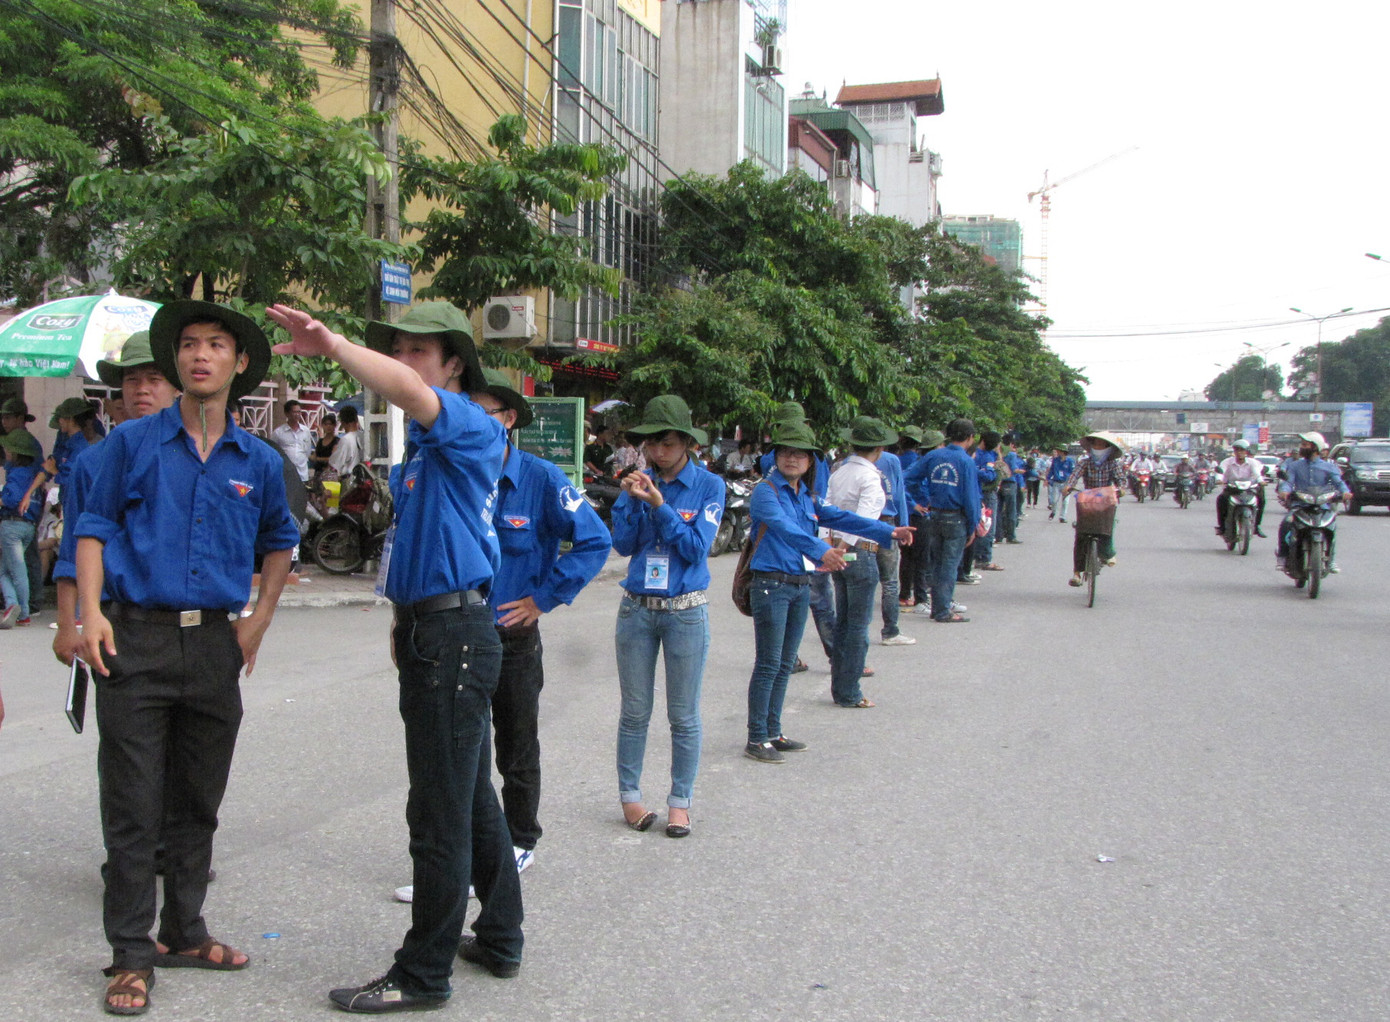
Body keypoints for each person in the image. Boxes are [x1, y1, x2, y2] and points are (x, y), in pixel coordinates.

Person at [268, 301, 524, 1012]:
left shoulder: (468, 424)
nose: (407, 363)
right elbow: (419, 547)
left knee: (437, 814)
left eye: (421, 351)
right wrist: (400, 618)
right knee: (470, 799)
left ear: (452, 368)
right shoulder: (423, 456)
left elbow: (409, 392)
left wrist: (335, 342)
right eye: (400, 348)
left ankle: (423, 973)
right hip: (434, 630)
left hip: (454, 640)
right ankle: (500, 935)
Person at [75, 301, 298, 1014]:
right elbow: (91, 526)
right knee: (134, 807)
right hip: (134, 638)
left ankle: (185, 928)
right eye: (190, 345)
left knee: (198, 801)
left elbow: (281, 538)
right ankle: (131, 955)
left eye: (216, 345)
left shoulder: (258, 461)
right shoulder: (131, 444)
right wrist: (85, 616)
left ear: (239, 364)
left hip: (212, 647)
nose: (200, 355)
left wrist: (259, 618)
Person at [401, 370, 609, 887]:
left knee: (516, 744)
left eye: (482, 411)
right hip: (452, 638)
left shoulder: (540, 478)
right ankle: (460, 857)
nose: (466, 420)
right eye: (460, 409)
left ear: (508, 420)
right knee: (458, 754)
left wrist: (542, 600)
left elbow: (594, 539)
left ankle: (519, 841)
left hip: (510, 638)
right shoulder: (440, 473)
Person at [744, 420, 910, 759]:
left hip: (799, 584)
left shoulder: (806, 496)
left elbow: (841, 518)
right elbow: (785, 528)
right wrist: (822, 552)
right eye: (786, 452)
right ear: (776, 457)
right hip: (770, 586)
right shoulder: (766, 491)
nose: (792, 459)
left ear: (810, 462)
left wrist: (886, 533)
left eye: (800, 454)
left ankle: (773, 731)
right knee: (769, 663)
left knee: (786, 660)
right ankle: (756, 737)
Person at [609, 395, 722, 838]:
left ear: (687, 444)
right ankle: (630, 796)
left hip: (685, 611)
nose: (658, 452)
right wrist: (631, 501)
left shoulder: (709, 486)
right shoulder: (639, 481)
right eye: (651, 444)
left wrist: (660, 505)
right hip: (636, 609)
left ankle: (680, 802)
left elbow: (696, 548)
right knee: (635, 711)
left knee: (684, 715)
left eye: (668, 443)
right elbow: (623, 545)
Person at [52, 330, 181, 665]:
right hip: (115, 619)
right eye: (131, 379)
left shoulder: (196, 457)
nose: (142, 389)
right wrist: (67, 625)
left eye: (155, 379)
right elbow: (71, 548)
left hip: (184, 622)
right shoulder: (91, 462)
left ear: (177, 387)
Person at [824, 416, 914, 706]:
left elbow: (826, 509)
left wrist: (830, 544)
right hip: (860, 550)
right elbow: (862, 521)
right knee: (858, 625)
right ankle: (850, 691)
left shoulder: (838, 472)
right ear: (878, 448)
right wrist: (844, 545)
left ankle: (841, 686)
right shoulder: (870, 477)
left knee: (843, 621)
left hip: (837, 550)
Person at [903, 418, 979, 623]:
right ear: (970, 438)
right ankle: (942, 609)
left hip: (934, 515)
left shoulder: (934, 455)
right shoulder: (966, 461)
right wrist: (973, 525)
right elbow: (971, 498)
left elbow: (907, 479)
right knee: (949, 564)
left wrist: (919, 500)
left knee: (936, 562)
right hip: (956, 517)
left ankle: (938, 605)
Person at [1274, 431, 1350, 572]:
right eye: (1302, 445)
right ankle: (1282, 557)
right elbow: (1288, 482)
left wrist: (1345, 492)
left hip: (1322, 505)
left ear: (1315, 447)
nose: (1302, 448)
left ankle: (1331, 560)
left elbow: (1338, 482)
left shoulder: (1329, 467)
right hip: (1300, 505)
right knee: (1286, 523)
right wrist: (1284, 491)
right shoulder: (1295, 466)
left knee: (1331, 527)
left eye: (1305, 445)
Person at [1062, 431, 1127, 586]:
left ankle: (1107, 554)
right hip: (1088, 501)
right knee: (1081, 535)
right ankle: (1077, 573)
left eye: (1100, 444)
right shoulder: (1084, 462)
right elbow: (1074, 476)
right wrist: (1069, 486)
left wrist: (1121, 488)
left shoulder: (1113, 464)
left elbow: (1121, 480)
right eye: (1095, 444)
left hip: (1107, 500)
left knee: (1107, 529)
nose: (1097, 447)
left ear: (1108, 447)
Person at [0, 430, 43, 627]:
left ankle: (19, 609)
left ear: (15, 452)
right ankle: (15, 607)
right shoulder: (33, 475)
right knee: (7, 570)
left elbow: (11, 499)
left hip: (12, 525)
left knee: (14, 571)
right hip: (28, 526)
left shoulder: (16, 474)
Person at [1215, 439, 1267, 539]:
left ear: (1246, 451)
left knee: (1261, 500)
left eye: (1242, 450)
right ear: (1234, 452)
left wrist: (1261, 481)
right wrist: (1219, 479)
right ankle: (1222, 527)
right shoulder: (1227, 462)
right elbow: (1221, 472)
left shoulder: (1253, 463)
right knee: (1221, 500)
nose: (1239, 453)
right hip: (1232, 488)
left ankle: (1256, 526)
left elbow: (1257, 474)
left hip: (1249, 488)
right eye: (1237, 450)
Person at [973, 431, 1004, 571]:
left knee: (978, 525)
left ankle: (977, 556)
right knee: (987, 525)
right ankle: (984, 558)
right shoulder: (988, 456)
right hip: (987, 492)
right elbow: (990, 476)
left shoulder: (973, 453)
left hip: (978, 492)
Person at [271, 398, 315, 485]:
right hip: (286, 474)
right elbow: (274, 451)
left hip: (302, 474)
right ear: (287, 413)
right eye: (294, 412)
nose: (297, 414)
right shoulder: (278, 432)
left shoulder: (305, 430)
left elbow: (307, 451)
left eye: (299, 412)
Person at [327, 404, 365, 483]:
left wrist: (333, 452)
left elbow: (335, 464)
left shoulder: (345, 439)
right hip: (364, 478)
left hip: (350, 481)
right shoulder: (364, 436)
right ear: (356, 419)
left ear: (343, 423)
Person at [309, 411, 339, 482]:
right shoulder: (320, 441)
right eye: (326, 424)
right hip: (318, 473)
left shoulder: (337, 441)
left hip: (330, 475)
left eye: (330, 424)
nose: (328, 426)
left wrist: (318, 459)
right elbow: (314, 456)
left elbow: (332, 459)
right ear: (322, 425)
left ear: (334, 426)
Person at [1046, 446, 1074, 521]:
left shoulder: (1070, 461)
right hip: (1056, 482)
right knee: (1054, 500)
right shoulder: (1055, 460)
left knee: (1065, 501)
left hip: (1066, 483)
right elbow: (1051, 470)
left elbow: (1073, 473)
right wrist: (1047, 479)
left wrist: (1071, 484)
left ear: (1063, 452)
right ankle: (1053, 511)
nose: (1057, 452)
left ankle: (1062, 517)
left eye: (1059, 451)